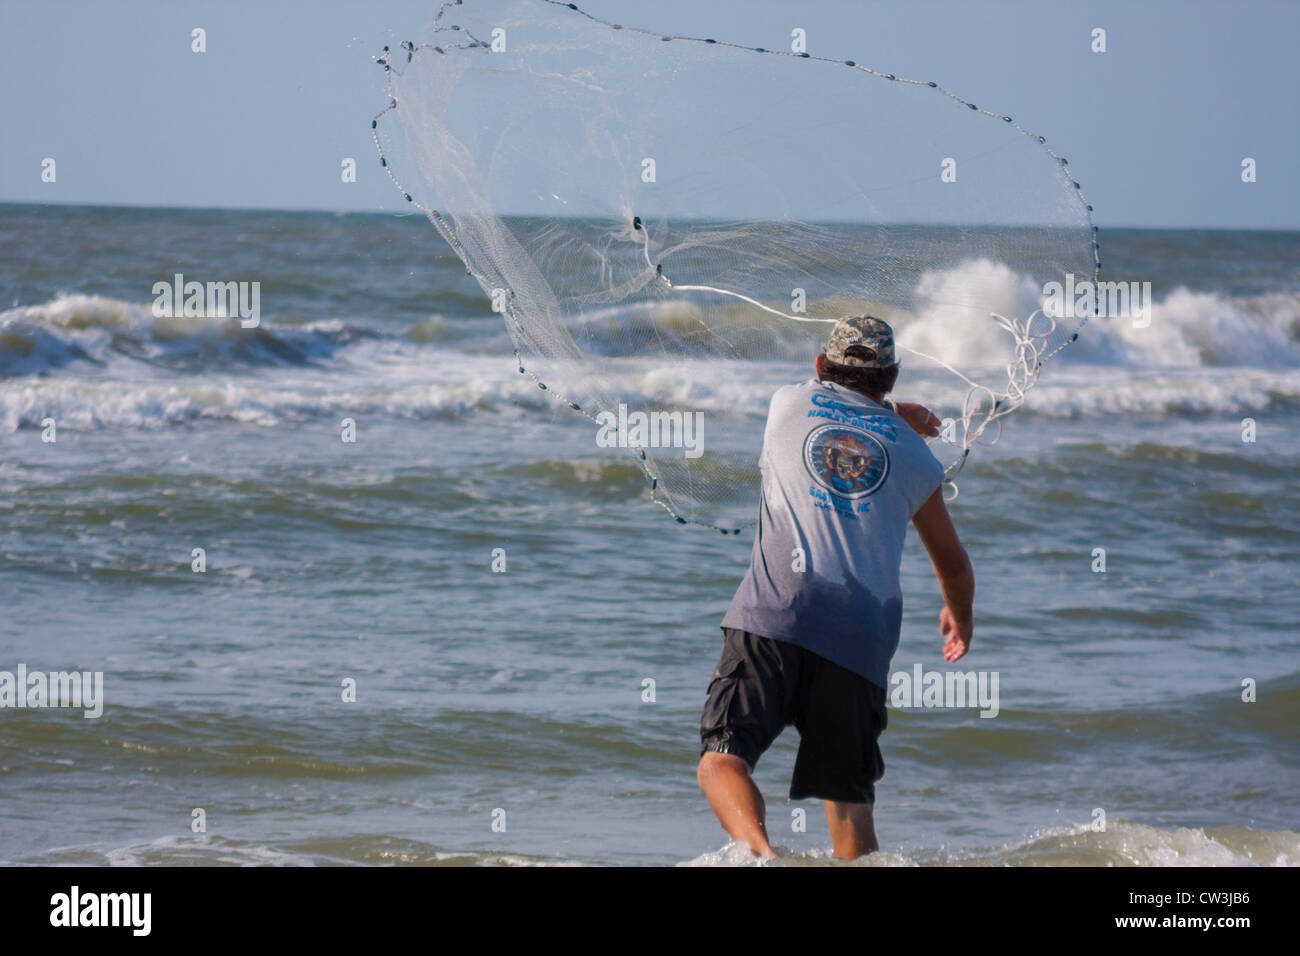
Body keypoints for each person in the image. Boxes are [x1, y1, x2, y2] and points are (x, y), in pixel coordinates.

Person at [696, 314, 975, 860]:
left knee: (722, 759)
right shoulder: (918, 458)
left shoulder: (787, 406)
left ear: (820, 366)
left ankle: (762, 856)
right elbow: (955, 565)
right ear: (892, 378)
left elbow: (845, 407)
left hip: (774, 618)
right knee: (850, 812)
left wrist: (896, 413)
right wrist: (959, 616)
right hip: (859, 641)